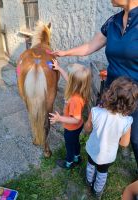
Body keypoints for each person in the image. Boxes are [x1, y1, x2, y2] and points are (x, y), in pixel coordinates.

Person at [51, 0, 138, 170]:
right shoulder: (112, 22)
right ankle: (100, 161)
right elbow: (90, 46)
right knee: (103, 129)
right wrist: (64, 53)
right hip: (111, 91)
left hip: (134, 95)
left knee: (135, 138)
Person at [84, 77, 138, 199]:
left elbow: (87, 128)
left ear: (110, 94)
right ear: (131, 104)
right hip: (108, 156)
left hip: (92, 149)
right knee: (102, 173)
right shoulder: (127, 121)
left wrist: (90, 127)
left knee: (91, 165)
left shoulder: (96, 111)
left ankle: (88, 181)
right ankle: (97, 191)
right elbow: (124, 143)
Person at [49, 59, 91, 169]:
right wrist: (58, 68)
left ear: (73, 83)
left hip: (72, 128)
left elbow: (76, 119)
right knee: (75, 142)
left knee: (69, 146)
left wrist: (59, 118)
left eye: (69, 77)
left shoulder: (75, 100)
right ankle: (77, 157)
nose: (67, 78)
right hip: (77, 127)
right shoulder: (80, 89)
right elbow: (67, 79)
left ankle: (69, 162)